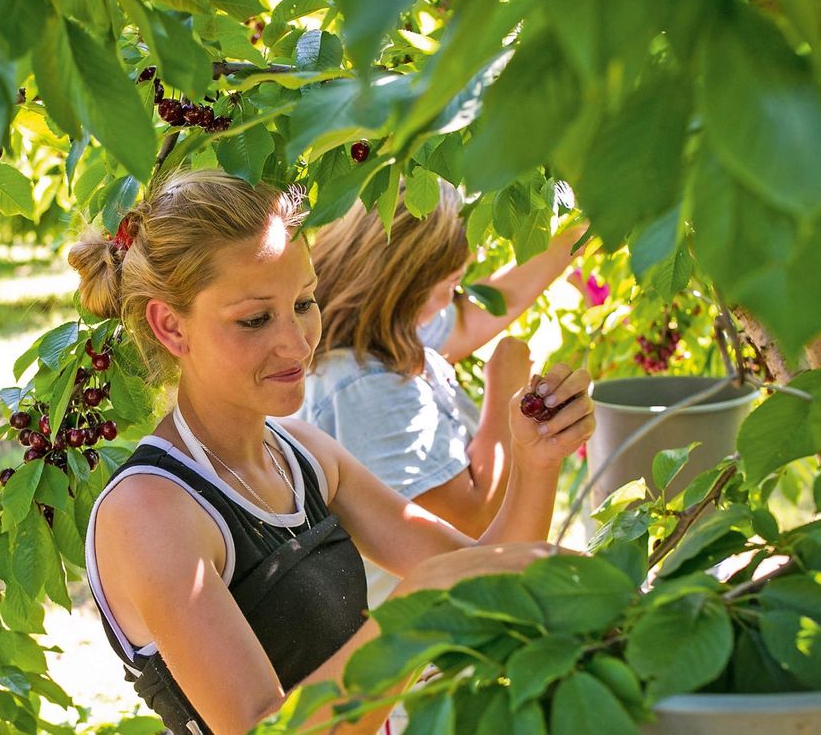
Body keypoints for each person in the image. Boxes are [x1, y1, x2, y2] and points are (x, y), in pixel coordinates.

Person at [70, 170, 595, 735]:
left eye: (303, 303)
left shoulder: (304, 457)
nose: (297, 343)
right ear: (171, 326)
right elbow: (259, 728)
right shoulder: (150, 513)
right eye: (254, 319)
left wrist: (536, 458)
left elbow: (487, 581)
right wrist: (415, 603)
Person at [299, 180, 584, 605]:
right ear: (407, 283)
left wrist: (584, 227)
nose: (455, 298)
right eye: (451, 283)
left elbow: (488, 308)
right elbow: (475, 528)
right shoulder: (365, 391)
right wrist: (505, 386)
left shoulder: (387, 334)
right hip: (417, 648)